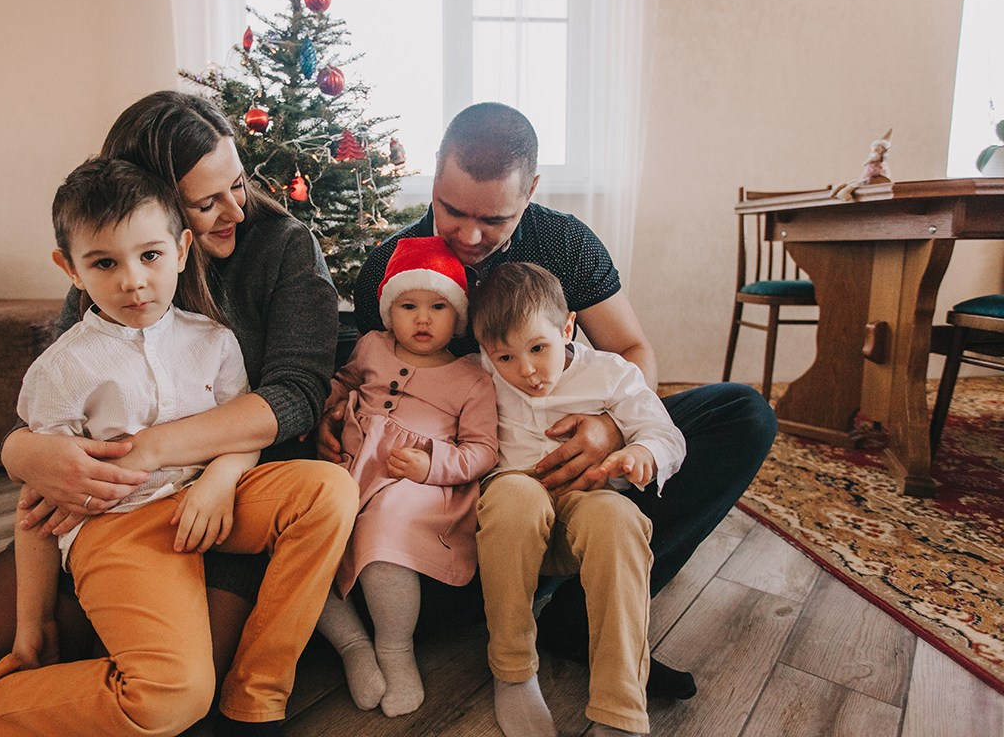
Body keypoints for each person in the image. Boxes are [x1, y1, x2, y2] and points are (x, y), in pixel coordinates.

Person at [321, 101, 779, 697]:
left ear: (531, 190)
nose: (469, 235)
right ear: (433, 176)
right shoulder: (391, 264)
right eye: (452, 209)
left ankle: (580, 615)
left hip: (576, 455)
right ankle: (508, 599)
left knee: (741, 414)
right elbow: (374, 372)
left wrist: (611, 429)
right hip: (461, 485)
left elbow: (632, 348)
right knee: (409, 606)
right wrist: (342, 406)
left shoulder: (565, 243)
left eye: (495, 219)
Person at [0, 91, 358, 737]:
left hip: (232, 486)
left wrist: (163, 451)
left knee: (186, 695)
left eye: (238, 185)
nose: (236, 211)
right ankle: (19, 697)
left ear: (176, 245)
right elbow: (56, 397)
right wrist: (22, 453)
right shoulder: (114, 260)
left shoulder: (278, 250)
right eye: (208, 201)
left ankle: (248, 697)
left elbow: (297, 394)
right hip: (123, 511)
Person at [0, 156, 270, 734]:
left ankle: (256, 697)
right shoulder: (64, 368)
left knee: (325, 493)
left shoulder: (214, 340)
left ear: (180, 250)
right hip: (118, 528)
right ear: (70, 269)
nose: (132, 281)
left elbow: (245, 426)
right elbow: (38, 504)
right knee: (175, 694)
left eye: (149, 256)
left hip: (211, 508)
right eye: (105, 263)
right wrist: (33, 623)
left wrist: (223, 477)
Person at [473, 261, 685, 737]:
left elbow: (662, 430)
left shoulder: (610, 373)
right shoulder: (476, 375)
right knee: (514, 496)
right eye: (504, 358)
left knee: (618, 517)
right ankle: (512, 670)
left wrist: (642, 452)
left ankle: (620, 708)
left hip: (583, 510)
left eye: (538, 348)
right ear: (486, 353)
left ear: (567, 327)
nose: (526, 371)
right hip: (511, 511)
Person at [314, 236, 498, 717]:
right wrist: (332, 403)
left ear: (457, 316)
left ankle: (395, 650)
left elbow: (482, 450)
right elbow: (348, 380)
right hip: (352, 472)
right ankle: (354, 646)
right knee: (301, 536)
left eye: (438, 306)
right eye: (408, 305)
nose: (422, 318)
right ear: (388, 311)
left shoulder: (471, 377)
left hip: (416, 486)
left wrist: (433, 463)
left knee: (385, 523)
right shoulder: (372, 346)